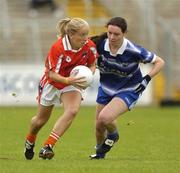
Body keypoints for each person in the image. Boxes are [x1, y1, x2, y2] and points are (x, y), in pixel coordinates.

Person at [89, 17, 165, 159]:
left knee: (104, 118)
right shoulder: (99, 44)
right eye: (110, 33)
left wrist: (146, 79)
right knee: (99, 127)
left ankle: (113, 135)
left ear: (124, 33)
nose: (112, 37)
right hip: (106, 88)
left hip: (129, 89)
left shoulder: (133, 50)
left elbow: (160, 62)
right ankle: (99, 154)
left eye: (116, 34)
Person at [24, 17, 98, 160]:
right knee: (40, 121)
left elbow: (92, 64)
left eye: (87, 34)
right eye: (82, 35)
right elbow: (51, 74)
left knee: (72, 110)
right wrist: (66, 79)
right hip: (53, 83)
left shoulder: (90, 46)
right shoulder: (58, 47)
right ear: (71, 34)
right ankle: (30, 139)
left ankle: (47, 146)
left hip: (72, 84)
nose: (85, 38)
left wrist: (89, 74)